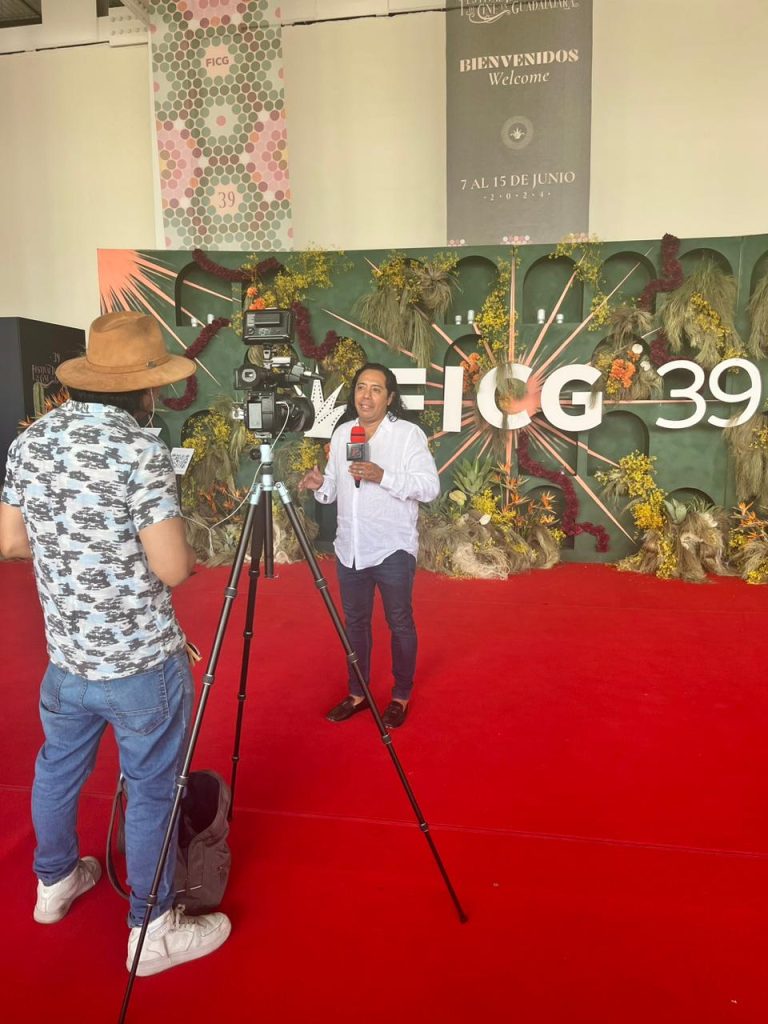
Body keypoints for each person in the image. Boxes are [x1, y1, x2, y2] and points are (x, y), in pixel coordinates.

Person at [0, 311, 231, 977]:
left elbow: (10, 543)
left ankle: (53, 883)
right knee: (152, 790)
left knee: (56, 770)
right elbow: (172, 568)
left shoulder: (31, 441)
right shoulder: (140, 451)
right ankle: (151, 931)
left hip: (66, 660)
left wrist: (73, 561)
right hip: (141, 665)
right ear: (146, 388)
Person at [300, 362, 440, 729]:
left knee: (400, 622)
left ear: (390, 397)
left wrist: (383, 476)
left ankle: (401, 696)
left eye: (376, 389)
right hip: (350, 548)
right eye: (361, 387)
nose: (366, 395)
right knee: (356, 624)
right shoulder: (344, 433)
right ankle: (357, 693)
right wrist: (320, 484)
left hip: (392, 547)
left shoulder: (408, 435)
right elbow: (334, 489)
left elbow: (429, 487)